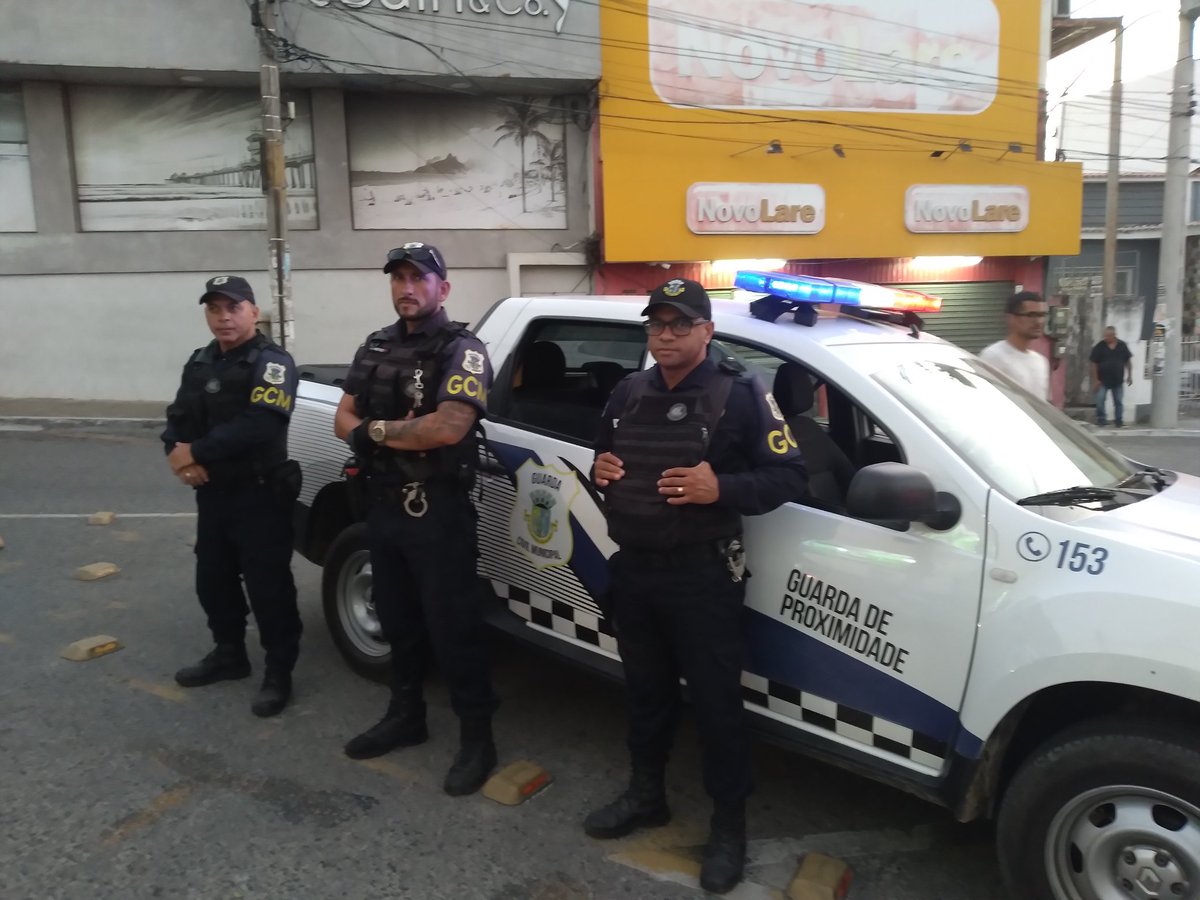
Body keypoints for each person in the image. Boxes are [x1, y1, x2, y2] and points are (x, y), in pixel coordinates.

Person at [585, 278, 809, 895]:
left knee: (716, 707)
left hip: (702, 575)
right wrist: (599, 470)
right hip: (635, 568)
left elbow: (790, 474)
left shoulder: (741, 394)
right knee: (646, 694)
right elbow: (602, 457)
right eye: (656, 323)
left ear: (707, 332)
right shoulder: (628, 391)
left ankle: (729, 829)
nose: (664, 333)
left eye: (679, 323)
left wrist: (723, 490)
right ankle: (645, 796)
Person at [333, 241, 499, 797]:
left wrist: (375, 431)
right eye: (398, 278)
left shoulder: (463, 350)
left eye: (419, 278)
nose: (407, 287)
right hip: (383, 505)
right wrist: (392, 428)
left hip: (438, 514)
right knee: (398, 620)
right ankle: (407, 715)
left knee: (455, 631)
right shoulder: (377, 344)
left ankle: (478, 738)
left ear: (443, 288)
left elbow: (448, 427)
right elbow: (341, 415)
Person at [163, 275, 303, 718]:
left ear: (253, 312)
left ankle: (279, 672)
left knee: (269, 589)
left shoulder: (272, 362)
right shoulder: (200, 361)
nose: (224, 317)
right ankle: (229, 654)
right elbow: (179, 417)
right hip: (215, 495)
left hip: (260, 495)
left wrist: (196, 451)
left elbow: (261, 423)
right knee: (213, 579)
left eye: (233, 307)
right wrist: (177, 454)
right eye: (215, 309)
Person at [979, 291, 1050, 400]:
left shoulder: (1041, 361)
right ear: (1011, 318)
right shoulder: (993, 356)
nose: (1039, 321)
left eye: (1042, 315)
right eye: (1031, 315)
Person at [1089, 325, 1134, 427]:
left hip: (1117, 380)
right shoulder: (1100, 346)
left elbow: (1127, 361)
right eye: (1105, 336)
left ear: (1114, 335)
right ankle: (1101, 420)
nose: (1106, 338)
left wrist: (1130, 375)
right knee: (1100, 401)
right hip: (1102, 380)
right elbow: (1093, 363)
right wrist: (1095, 380)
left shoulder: (1122, 346)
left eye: (1108, 336)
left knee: (1118, 401)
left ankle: (1119, 421)